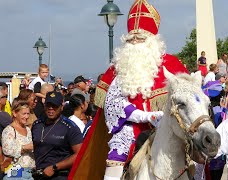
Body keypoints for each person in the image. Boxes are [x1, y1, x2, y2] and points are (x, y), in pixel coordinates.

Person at [68, 0, 188, 179]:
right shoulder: (118, 69)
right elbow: (112, 105)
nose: (135, 42)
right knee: (115, 159)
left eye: (141, 38)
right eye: (132, 38)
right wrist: (144, 116)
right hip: (130, 129)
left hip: (166, 129)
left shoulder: (172, 65)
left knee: (192, 157)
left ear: (153, 41)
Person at [31, 92, 83, 179]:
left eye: (54, 106)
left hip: (60, 175)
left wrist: (55, 167)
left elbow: (80, 154)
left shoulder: (69, 127)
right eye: (48, 105)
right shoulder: (37, 124)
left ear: (61, 107)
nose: (51, 109)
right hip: (38, 175)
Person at [2, 99, 35, 179]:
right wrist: (25, 147)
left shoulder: (27, 129)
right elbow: (7, 150)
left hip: (30, 172)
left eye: (28, 114)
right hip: (16, 173)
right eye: (24, 114)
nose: (27, 117)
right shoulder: (9, 130)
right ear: (15, 113)